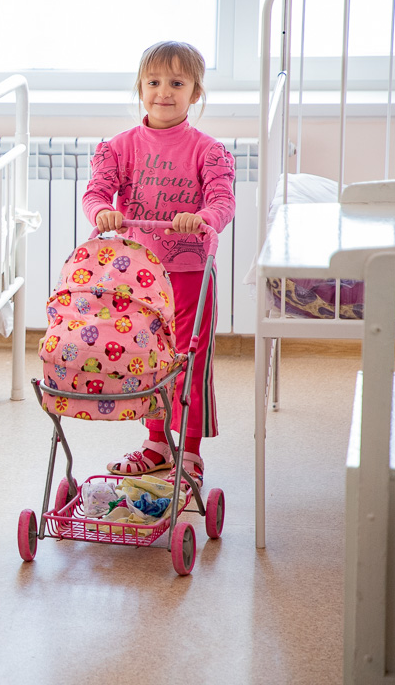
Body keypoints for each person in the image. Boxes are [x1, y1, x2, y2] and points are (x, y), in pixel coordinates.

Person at [81, 40, 236, 484]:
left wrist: (202, 219)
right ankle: (156, 444)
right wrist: (102, 212)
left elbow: (222, 202)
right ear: (140, 88)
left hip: (189, 276)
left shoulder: (207, 151)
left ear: (195, 93)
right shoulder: (119, 147)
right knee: (146, 356)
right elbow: (95, 194)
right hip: (138, 275)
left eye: (177, 83)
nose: (163, 92)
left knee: (188, 359)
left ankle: (189, 452)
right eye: (153, 82)